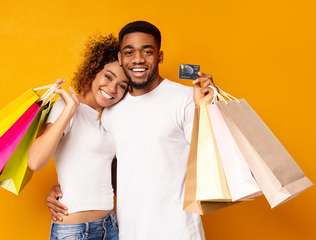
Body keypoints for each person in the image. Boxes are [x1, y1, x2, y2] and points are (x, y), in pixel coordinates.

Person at [47, 21, 215, 240]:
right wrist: (64, 190)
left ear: (160, 56)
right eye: (129, 52)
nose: (138, 59)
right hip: (126, 232)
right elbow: (112, 166)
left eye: (147, 51)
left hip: (179, 231)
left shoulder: (187, 99)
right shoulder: (112, 108)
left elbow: (212, 161)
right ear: (119, 58)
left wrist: (208, 110)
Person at [28, 33, 129, 240]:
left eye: (122, 86)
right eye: (108, 77)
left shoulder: (107, 119)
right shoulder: (67, 106)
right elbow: (35, 161)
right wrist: (69, 110)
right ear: (93, 70)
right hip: (75, 232)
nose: (112, 89)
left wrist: (61, 187)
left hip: (110, 226)